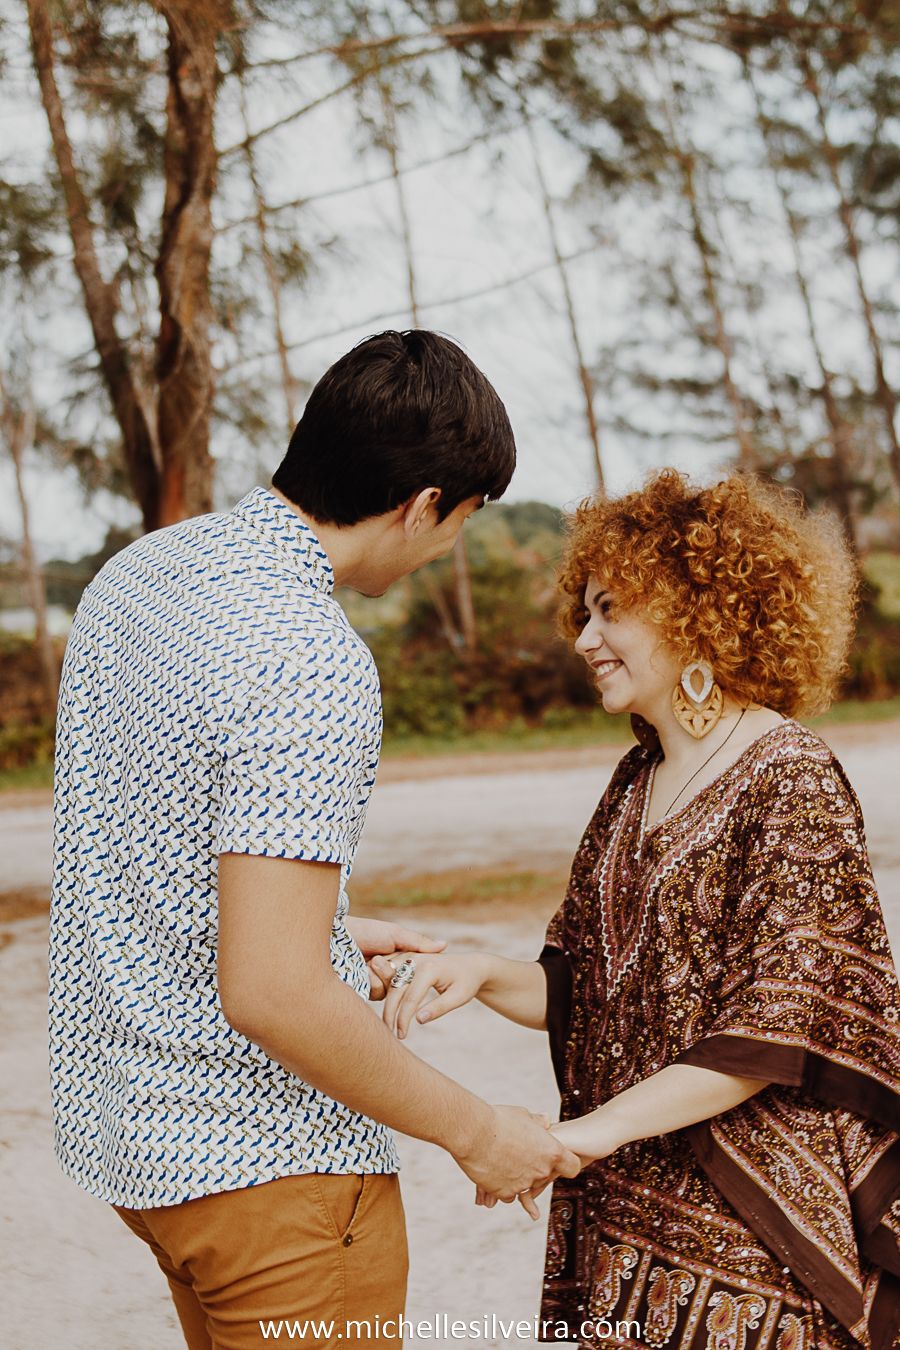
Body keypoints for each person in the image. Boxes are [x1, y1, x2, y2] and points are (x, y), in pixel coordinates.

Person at [49, 329, 579, 1350]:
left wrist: (331, 923)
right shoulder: (309, 657)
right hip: (267, 1171)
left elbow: (133, 850)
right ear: (424, 503)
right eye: (459, 524)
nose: (445, 550)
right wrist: (482, 1134)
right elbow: (274, 993)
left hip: (139, 1152)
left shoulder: (137, 578)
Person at [374, 470, 900, 1350]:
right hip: (624, 1214)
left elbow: (774, 1034)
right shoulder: (636, 780)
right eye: (581, 613)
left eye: (610, 609)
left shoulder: (789, 776)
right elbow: (586, 985)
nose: (585, 638)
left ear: (700, 608)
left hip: (750, 1228)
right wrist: (477, 970)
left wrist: (577, 1137)